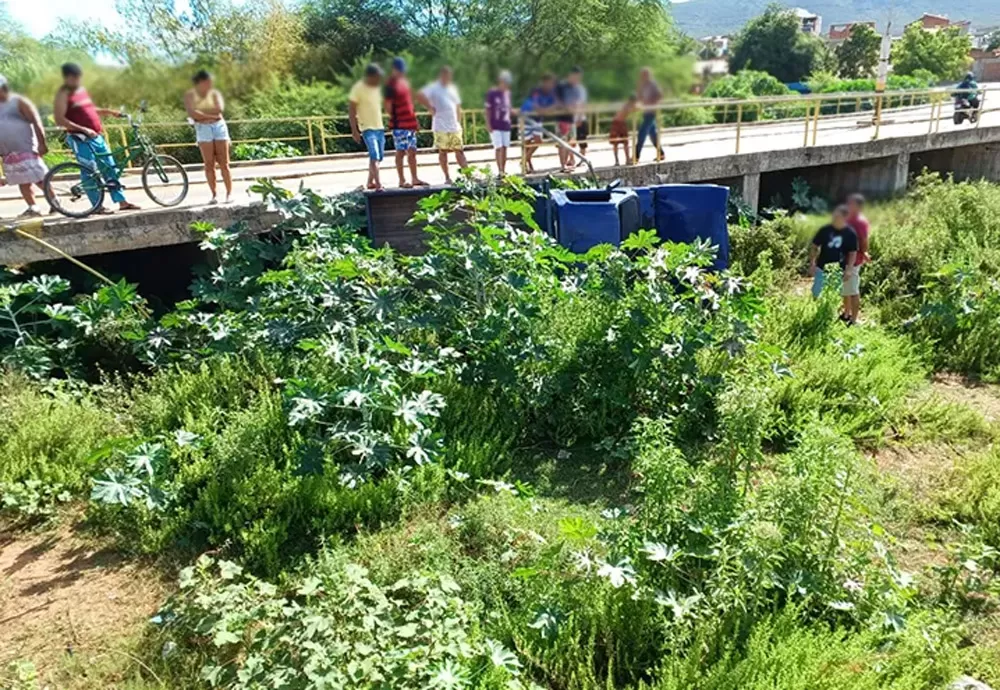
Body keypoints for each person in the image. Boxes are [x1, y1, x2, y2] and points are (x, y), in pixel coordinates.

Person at [54, 63, 140, 213]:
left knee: (110, 167)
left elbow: (90, 109)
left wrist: (109, 112)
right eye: (75, 77)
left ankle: (122, 202)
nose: (78, 80)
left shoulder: (81, 91)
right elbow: (60, 119)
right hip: (80, 138)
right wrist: (84, 129)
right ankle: (97, 206)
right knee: (89, 170)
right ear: (68, 77)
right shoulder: (62, 94)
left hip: (96, 136)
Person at [0, 75, 50, 217]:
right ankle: (33, 207)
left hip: (26, 147)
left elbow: (36, 121)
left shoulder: (19, 101)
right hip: (8, 152)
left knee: (39, 178)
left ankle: (55, 202)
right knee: (22, 181)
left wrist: (42, 143)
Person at [184, 70, 232, 204]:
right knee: (209, 164)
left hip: (218, 127)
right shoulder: (190, 96)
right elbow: (193, 113)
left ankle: (229, 193)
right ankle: (214, 194)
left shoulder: (215, 94)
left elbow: (218, 110)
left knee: (224, 163)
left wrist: (202, 114)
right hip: (203, 129)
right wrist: (209, 115)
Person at [809, 205, 859, 324]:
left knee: (833, 295)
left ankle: (828, 317)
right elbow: (814, 246)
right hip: (822, 267)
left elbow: (853, 252)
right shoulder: (825, 230)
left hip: (837, 270)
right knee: (817, 292)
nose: (835, 219)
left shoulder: (850, 233)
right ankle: (815, 316)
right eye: (834, 216)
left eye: (838, 217)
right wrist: (812, 263)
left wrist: (849, 269)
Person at [417, 66, 468, 185]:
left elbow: (457, 106)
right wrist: (430, 107)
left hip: (453, 125)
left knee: (459, 150)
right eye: (446, 75)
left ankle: (468, 175)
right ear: (441, 75)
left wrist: (458, 121)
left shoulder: (452, 88)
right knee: (443, 151)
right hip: (440, 124)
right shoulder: (434, 87)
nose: (448, 77)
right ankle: (447, 177)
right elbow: (419, 95)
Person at [384, 57, 427, 188]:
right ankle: (402, 179)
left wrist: (415, 121)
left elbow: (410, 104)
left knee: (412, 151)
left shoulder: (406, 82)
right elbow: (387, 105)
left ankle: (415, 178)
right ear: (394, 70)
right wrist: (395, 117)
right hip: (399, 124)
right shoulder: (390, 84)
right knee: (401, 151)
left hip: (410, 124)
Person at [349, 63, 386, 191]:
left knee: (378, 156)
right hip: (367, 128)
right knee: (375, 155)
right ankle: (378, 184)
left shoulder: (376, 89)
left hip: (379, 127)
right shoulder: (358, 89)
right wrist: (354, 130)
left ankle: (370, 182)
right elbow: (352, 111)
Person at [521, 74, 559, 174]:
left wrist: (545, 110)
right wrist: (544, 110)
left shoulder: (551, 93)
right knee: (527, 142)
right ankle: (527, 162)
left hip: (537, 119)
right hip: (527, 118)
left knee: (538, 141)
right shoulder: (536, 91)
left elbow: (555, 105)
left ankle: (524, 160)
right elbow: (535, 104)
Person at [555, 66, 588, 172]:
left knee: (571, 142)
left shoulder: (577, 88)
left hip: (572, 118)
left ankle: (568, 162)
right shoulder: (561, 86)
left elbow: (580, 103)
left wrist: (578, 117)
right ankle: (563, 165)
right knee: (562, 143)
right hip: (562, 118)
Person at [845, 193, 870, 324]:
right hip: (844, 258)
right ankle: (846, 313)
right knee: (846, 288)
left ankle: (853, 320)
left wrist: (864, 252)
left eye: (851, 204)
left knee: (853, 290)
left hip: (854, 260)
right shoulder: (847, 219)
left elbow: (864, 241)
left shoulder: (860, 222)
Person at [484, 70, 513, 176]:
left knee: (505, 147)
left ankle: (503, 169)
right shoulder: (492, 93)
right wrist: (488, 124)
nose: (506, 84)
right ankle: (500, 170)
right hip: (495, 124)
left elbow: (509, 108)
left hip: (505, 124)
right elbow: (487, 109)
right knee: (499, 147)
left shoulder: (507, 93)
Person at [635, 67, 664, 163]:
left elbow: (660, 95)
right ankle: (661, 153)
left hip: (652, 112)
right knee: (653, 134)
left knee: (642, 133)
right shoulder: (643, 85)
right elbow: (639, 96)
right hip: (646, 111)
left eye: (644, 75)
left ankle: (636, 156)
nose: (643, 77)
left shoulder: (653, 85)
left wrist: (653, 103)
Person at [609, 94, 637, 167]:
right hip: (617, 123)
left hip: (622, 123)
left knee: (625, 142)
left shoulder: (627, 105)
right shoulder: (627, 105)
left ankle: (627, 160)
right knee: (616, 143)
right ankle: (617, 160)